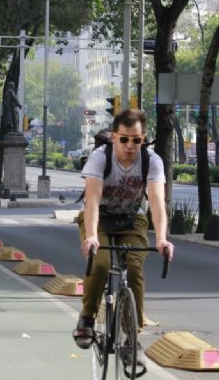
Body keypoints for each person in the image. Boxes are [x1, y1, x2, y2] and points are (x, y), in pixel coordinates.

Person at [72, 109, 175, 375]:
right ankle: (86, 319)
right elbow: (92, 199)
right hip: (100, 220)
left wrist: (162, 239)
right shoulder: (99, 158)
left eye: (137, 140)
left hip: (131, 220)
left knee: (135, 268)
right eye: (125, 140)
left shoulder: (151, 161)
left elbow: (156, 202)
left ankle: (132, 339)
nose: (130, 146)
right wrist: (92, 235)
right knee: (102, 262)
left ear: (144, 140)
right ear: (115, 137)